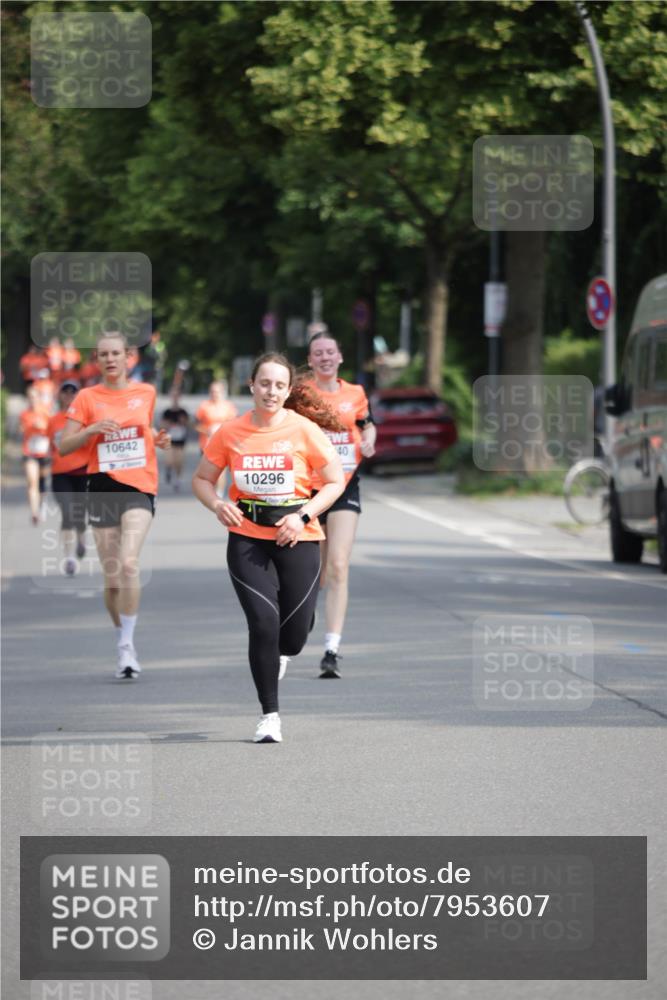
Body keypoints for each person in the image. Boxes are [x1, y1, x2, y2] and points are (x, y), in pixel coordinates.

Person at [192, 353, 345, 744]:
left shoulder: (304, 430)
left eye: (279, 385)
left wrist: (304, 517)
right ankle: (269, 716)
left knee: (292, 637)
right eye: (264, 383)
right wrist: (217, 504)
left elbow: (333, 482)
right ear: (251, 386)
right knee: (262, 624)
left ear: (289, 390)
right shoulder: (230, 431)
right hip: (246, 534)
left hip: (297, 535)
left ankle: (282, 653)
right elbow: (203, 479)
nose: (271, 391)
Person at [60, 332, 171, 680]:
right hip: (102, 487)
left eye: (116, 354)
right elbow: (64, 447)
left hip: (140, 486)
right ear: (97, 359)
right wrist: (91, 429)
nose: (110, 360)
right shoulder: (87, 397)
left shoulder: (146, 393)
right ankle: (121, 637)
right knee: (111, 581)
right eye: (104, 354)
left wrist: (157, 438)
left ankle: (127, 644)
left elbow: (145, 429)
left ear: (129, 358)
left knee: (127, 562)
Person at [307, 331, 376, 678]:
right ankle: (305, 613)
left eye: (330, 352)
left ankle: (331, 649)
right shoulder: (301, 395)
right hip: (310, 489)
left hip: (346, 484)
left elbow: (367, 424)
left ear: (340, 358)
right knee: (315, 572)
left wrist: (369, 441)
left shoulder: (356, 394)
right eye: (317, 353)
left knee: (338, 565)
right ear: (310, 361)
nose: (324, 357)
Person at [48, 380, 90, 575]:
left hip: (82, 472)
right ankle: (69, 557)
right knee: (67, 512)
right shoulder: (53, 421)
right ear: (60, 395)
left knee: (80, 515)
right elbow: (49, 446)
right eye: (65, 392)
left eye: (73, 392)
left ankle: (81, 538)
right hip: (61, 473)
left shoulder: (85, 420)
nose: (69, 396)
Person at [20, 385, 51, 525]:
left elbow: (51, 430)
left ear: (39, 398)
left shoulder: (46, 412)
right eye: (30, 397)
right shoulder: (24, 414)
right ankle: (34, 513)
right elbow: (22, 430)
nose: (32, 400)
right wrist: (29, 427)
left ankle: (42, 503)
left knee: (42, 483)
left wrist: (42, 427)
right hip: (30, 452)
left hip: (44, 452)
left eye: (35, 397)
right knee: (32, 482)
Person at [195, 381, 237, 453]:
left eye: (217, 392)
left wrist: (220, 429)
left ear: (222, 392)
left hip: (223, 445)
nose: (214, 394)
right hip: (207, 445)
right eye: (212, 391)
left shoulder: (228, 406)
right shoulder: (204, 406)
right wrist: (207, 431)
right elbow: (195, 425)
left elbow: (234, 425)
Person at [160, 392, 190, 490]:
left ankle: (178, 478)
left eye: (177, 397)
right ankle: (168, 470)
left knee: (179, 461)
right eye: (174, 397)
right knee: (169, 460)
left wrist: (183, 421)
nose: (175, 399)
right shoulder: (167, 412)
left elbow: (189, 424)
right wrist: (167, 425)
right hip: (169, 439)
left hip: (180, 440)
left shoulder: (183, 412)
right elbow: (162, 426)